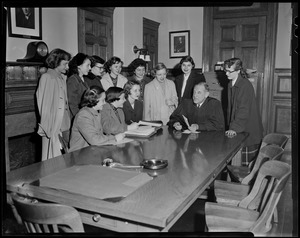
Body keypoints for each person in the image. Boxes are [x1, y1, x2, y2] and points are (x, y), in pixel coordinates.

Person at [224, 57, 263, 165]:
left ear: (238, 71)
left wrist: (234, 128)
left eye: (229, 71)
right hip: (240, 128)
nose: (226, 74)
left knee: (243, 168)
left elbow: (243, 110)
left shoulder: (244, 85)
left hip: (247, 130)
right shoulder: (231, 83)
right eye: (225, 71)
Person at [36, 48, 72, 161]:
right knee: (53, 158)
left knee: (65, 156)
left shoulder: (61, 78)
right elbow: (44, 106)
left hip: (65, 123)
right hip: (54, 126)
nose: (67, 67)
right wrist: (51, 128)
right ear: (56, 62)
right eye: (65, 64)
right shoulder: (47, 77)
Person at [69, 86, 125, 152]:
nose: (105, 103)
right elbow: (94, 140)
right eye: (103, 100)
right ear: (94, 100)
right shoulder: (83, 115)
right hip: (80, 154)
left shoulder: (95, 112)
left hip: (92, 151)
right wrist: (114, 138)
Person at [67, 53, 91, 121]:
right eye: (88, 65)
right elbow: (72, 104)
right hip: (77, 118)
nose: (90, 68)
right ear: (79, 66)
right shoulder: (72, 80)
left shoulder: (83, 79)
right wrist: (81, 119)